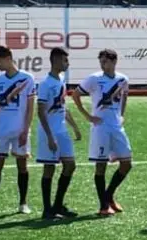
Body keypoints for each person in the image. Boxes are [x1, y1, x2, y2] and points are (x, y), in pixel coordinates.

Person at [73, 49, 133, 217]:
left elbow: (124, 96)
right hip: (101, 128)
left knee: (127, 163)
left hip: (117, 127)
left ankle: (109, 195)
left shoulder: (123, 79)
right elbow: (75, 95)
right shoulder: (94, 78)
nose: (102, 64)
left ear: (114, 62)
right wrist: (88, 116)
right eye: (101, 61)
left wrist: (122, 115)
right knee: (101, 165)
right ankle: (103, 205)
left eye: (105, 61)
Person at [0, 46, 36, 215]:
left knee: (22, 166)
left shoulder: (27, 78)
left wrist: (26, 130)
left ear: (8, 58)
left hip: (20, 130)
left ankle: (23, 203)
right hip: (2, 130)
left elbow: (30, 108)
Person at [35, 48, 82, 220]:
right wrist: (49, 136)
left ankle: (58, 205)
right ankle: (47, 209)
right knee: (49, 168)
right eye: (65, 60)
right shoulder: (45, 83)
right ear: (55, 61)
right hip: (49, 131)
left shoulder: (61, 80)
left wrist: (74, 126)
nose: (67, 64)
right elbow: (40, 111)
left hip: (62, 130)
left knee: (70, 165)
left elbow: (62, 106)